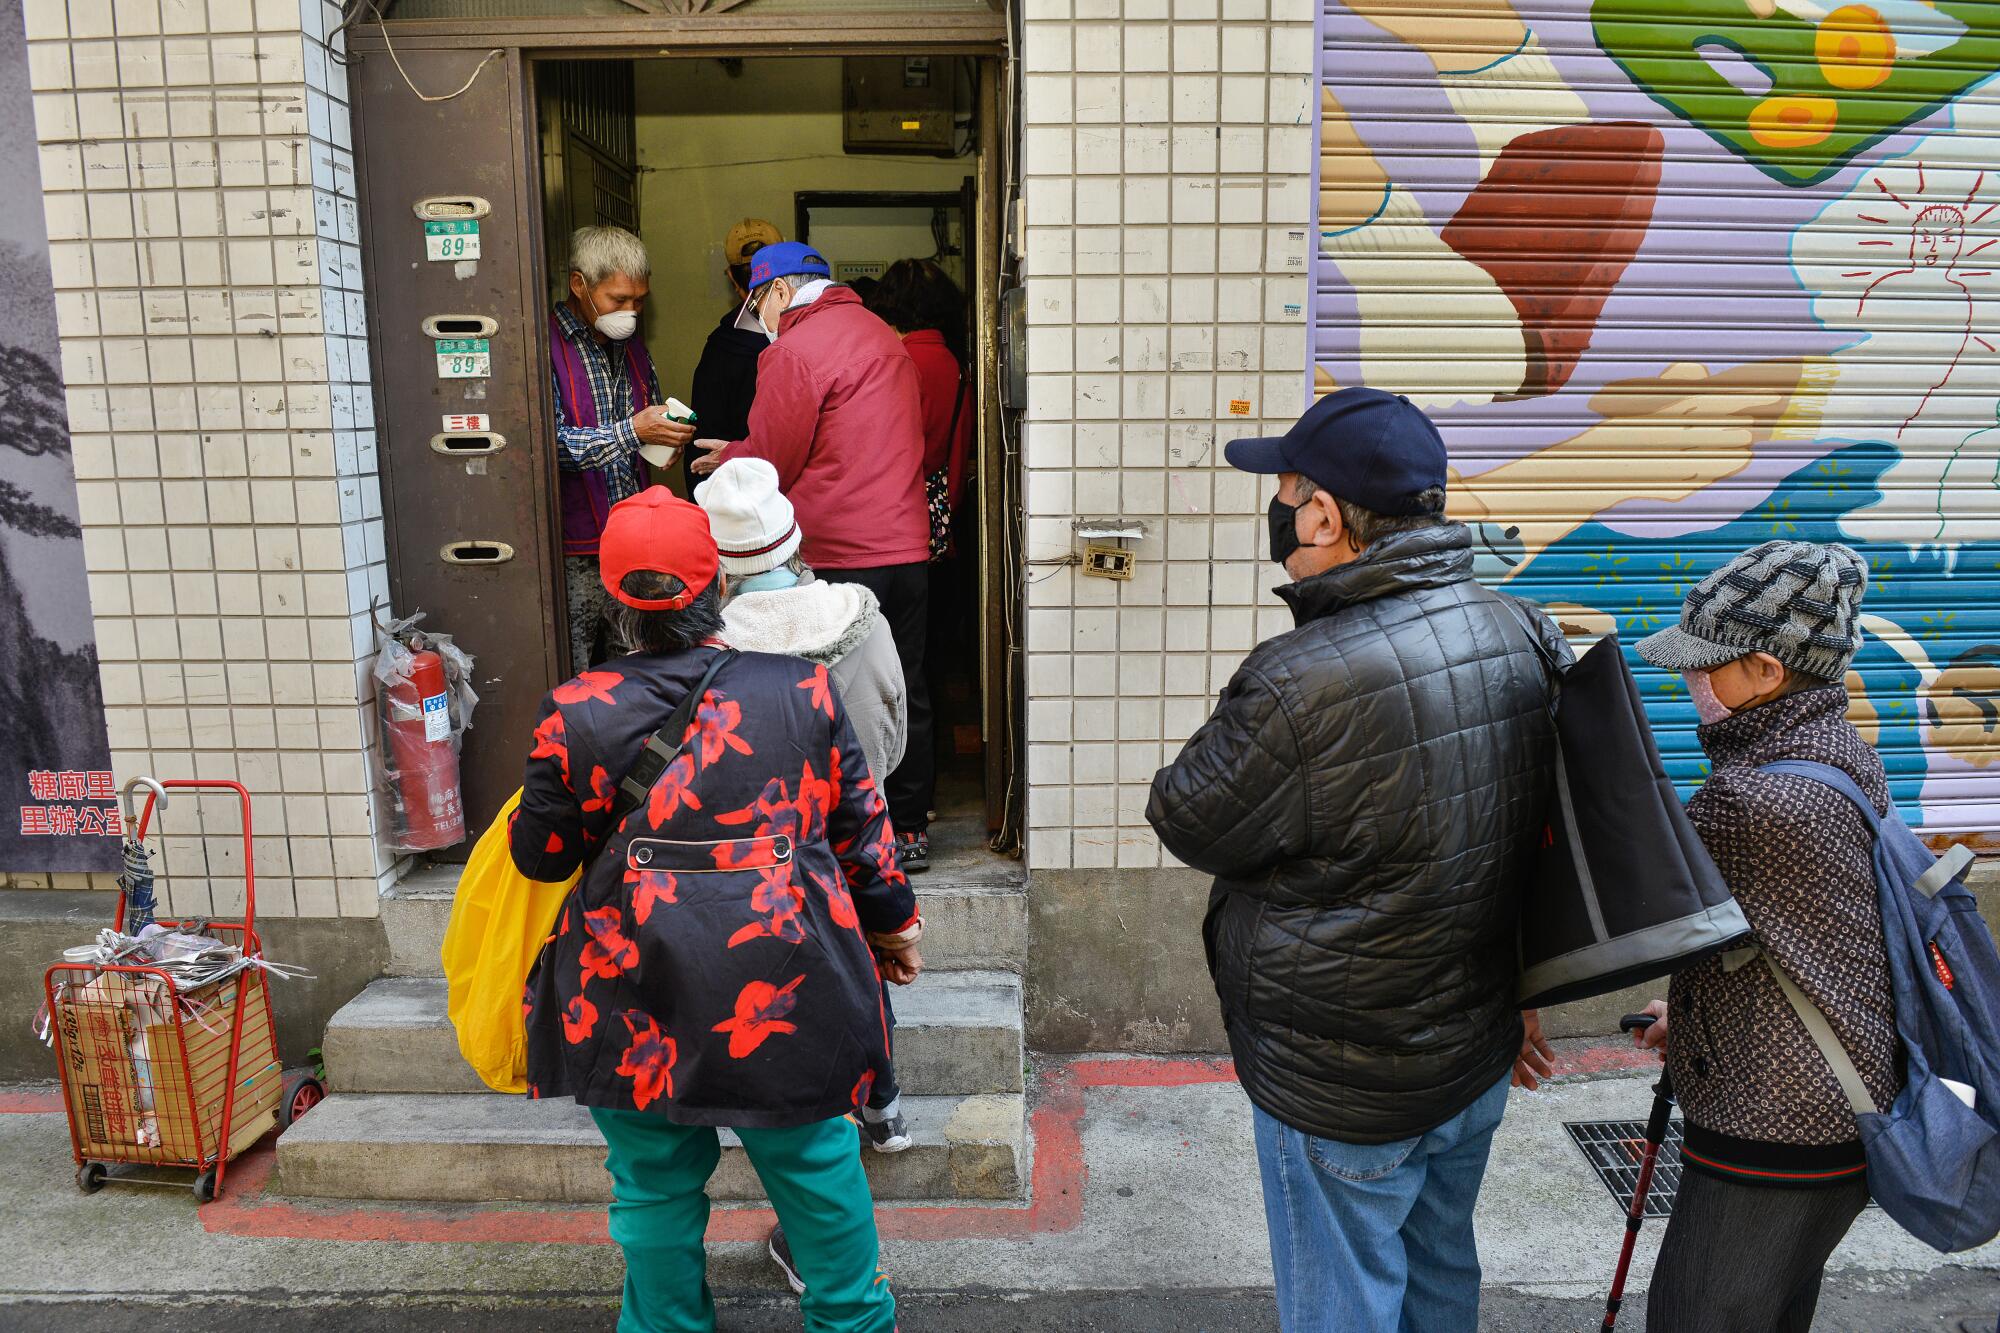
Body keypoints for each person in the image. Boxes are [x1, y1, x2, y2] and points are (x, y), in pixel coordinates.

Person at [1146, 387, 1566, 1333]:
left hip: (1342, 1076)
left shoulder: (1300, 678)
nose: (1280, 511)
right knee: (1437, 1272)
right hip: (1475, 1052)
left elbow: (1189, 817)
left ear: (1327, 514)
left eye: (1288, 491)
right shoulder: (1521, 628)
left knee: (1343, 1304)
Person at [510, 485, 920, 1333]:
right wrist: (893, 926)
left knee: (654, 1183)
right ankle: (851, 1320)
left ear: (616, 600)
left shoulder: (576, 711)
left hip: (631, 984)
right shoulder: (798, 691)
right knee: (815, 1161)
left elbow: (541, 854)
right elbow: (862, 830)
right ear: (716, 589)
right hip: (785, 977)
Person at [1626, 541, 1896, 1333]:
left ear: (1768, 673)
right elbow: (1804, 938)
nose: (1690, 681)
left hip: (1773, 1127)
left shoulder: (1750, 799)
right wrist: (1703, 1018)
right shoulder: (1842, 755)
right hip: (1838, 1103)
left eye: (1707, 663)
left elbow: (1636, 925)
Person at [688, 242, 936, 872]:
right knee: (905, 683)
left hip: (842, 549)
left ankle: (845, 831)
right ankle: (908, 826)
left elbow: (772, 460)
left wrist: (726, 457)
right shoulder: (883, 334)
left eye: (756, 303)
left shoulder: (794, 350)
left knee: (828, 692)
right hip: (906, 546)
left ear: (775, 292)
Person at [549, 224, 694, 672]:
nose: (630, 312)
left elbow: (647, 418)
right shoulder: (541, 346)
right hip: (575, 548)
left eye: (639, 301)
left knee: (634, 665)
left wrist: (666, 439)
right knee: (572, 667)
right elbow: (547, 446)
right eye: (618, 300)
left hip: (634, 544)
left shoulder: (633, 349)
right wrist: (634, 432)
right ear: (580, 285)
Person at [688, 218, 781, 491]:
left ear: (730, 276)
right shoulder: (811, 336)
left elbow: (703, 441)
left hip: (738, 497)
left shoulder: (720, 349)